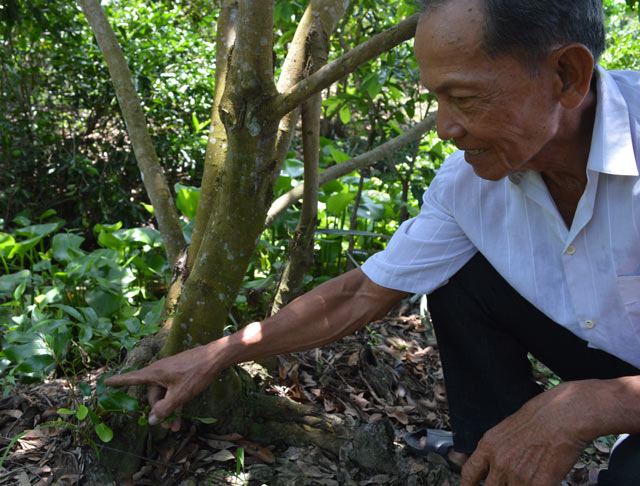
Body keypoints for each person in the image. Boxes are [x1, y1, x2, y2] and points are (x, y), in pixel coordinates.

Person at [106, 0, 640, 484]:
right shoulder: (469, 185)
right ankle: (492, 460)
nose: (443, 128)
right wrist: (214, 355)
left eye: (465, 98)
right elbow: (364, 292)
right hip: (607, 357)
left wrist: (584, 406)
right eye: (436, 99)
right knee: (457, 275)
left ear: (566, 76)